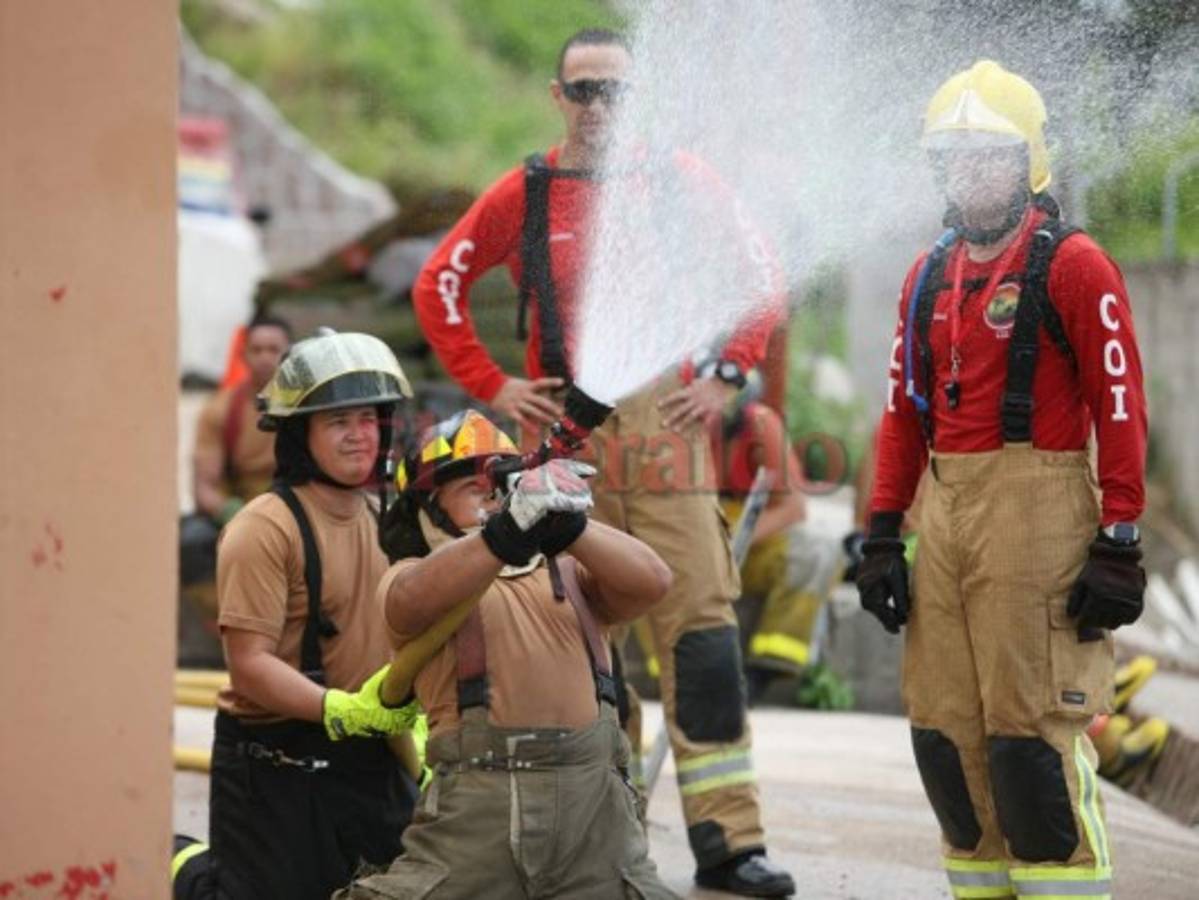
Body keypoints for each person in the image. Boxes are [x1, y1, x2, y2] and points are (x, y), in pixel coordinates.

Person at [410, 27, 794, 896]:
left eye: (613, 92)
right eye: (582, 91)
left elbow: (760, 271)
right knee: (581, 633)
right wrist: (495, 386)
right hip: (565, 430)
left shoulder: (679, 182)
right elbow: (438, 283)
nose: (597, 108)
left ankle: (729, 843)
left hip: (663, 422)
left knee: (699, 631)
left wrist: (729, 373)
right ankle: (603, 833)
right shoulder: (526, 192)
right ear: (557, 98)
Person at [856, 61, 1148, 900]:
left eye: (989, 154)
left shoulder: (1075, 264)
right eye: (952, 156)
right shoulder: (926, 276)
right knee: (944, 737)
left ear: (1029, 163)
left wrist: (1119, 536)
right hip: (942, 515)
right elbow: (900, 414)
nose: (969, 171)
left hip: (1040, 510)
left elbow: (1121, 403)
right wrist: (882, 534)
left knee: (1030, 742)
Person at [338, 410, 678, 899]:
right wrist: (501, 535)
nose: (493, 497)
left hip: (594, 818)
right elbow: (411, 601)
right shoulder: (413, 578)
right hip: (478, 815)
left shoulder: (573, 575)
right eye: (471, 488)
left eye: (499, 485)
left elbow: (654, 581)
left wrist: (572, 528)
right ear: (427, 508)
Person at [172, 330, 423, 900]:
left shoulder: (388, 518)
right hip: (275, 758)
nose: (359, 436)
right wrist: (338, 708)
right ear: (298, 434)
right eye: (338, 422)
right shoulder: (264, 528)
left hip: (371, 749)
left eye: (367, 418)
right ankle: (181, 864)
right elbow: (249, 666)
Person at [712, 377, 845, 704]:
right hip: (698, 543)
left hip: (748, 543)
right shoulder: (679, 425)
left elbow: (793, 508)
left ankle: (765, 670)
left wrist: (731, 543)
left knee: (817, 553)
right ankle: (673, 672)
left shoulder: (760, 425)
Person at [180, 313, 292, 620]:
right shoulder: (221, 409)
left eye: (274, 350)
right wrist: (236, 514)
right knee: (191, 542)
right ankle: (232, 625)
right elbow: (204, 487)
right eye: (257, 350)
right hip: (241, 509)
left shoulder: (309, 407)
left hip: (297, 508)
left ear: (290, 353)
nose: (265, 358)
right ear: (243, 354)